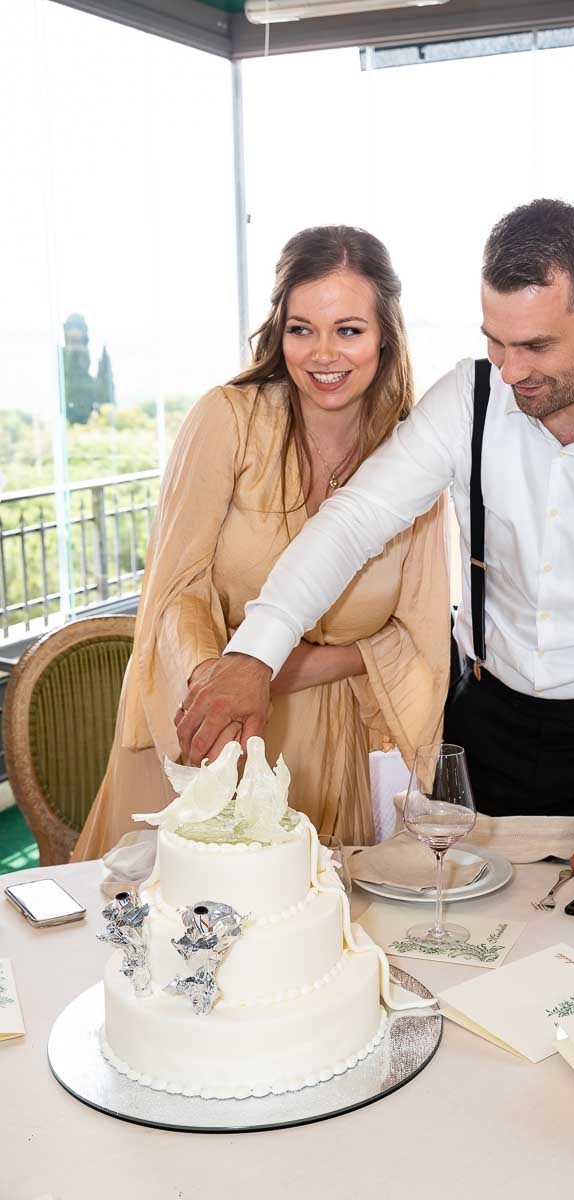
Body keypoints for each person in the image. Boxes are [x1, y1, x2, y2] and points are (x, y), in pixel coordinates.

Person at [175, 200, 574, 881]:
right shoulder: (468, 399)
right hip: (486, 722)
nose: (510, 372)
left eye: (537, 346)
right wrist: (254, 654)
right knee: (476, 950)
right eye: (496, 341)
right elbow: (353, 520)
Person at [72, 226, 450, 859]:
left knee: (311, 935)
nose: (322, 354)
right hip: (209, 727)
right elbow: (176, 591)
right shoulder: (227, 420)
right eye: (302, 328)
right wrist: (218, 690)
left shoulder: (414, 454)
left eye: (348, 330)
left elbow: (419, 635)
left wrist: (264, 672)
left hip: (339, 745)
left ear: (386, 333)